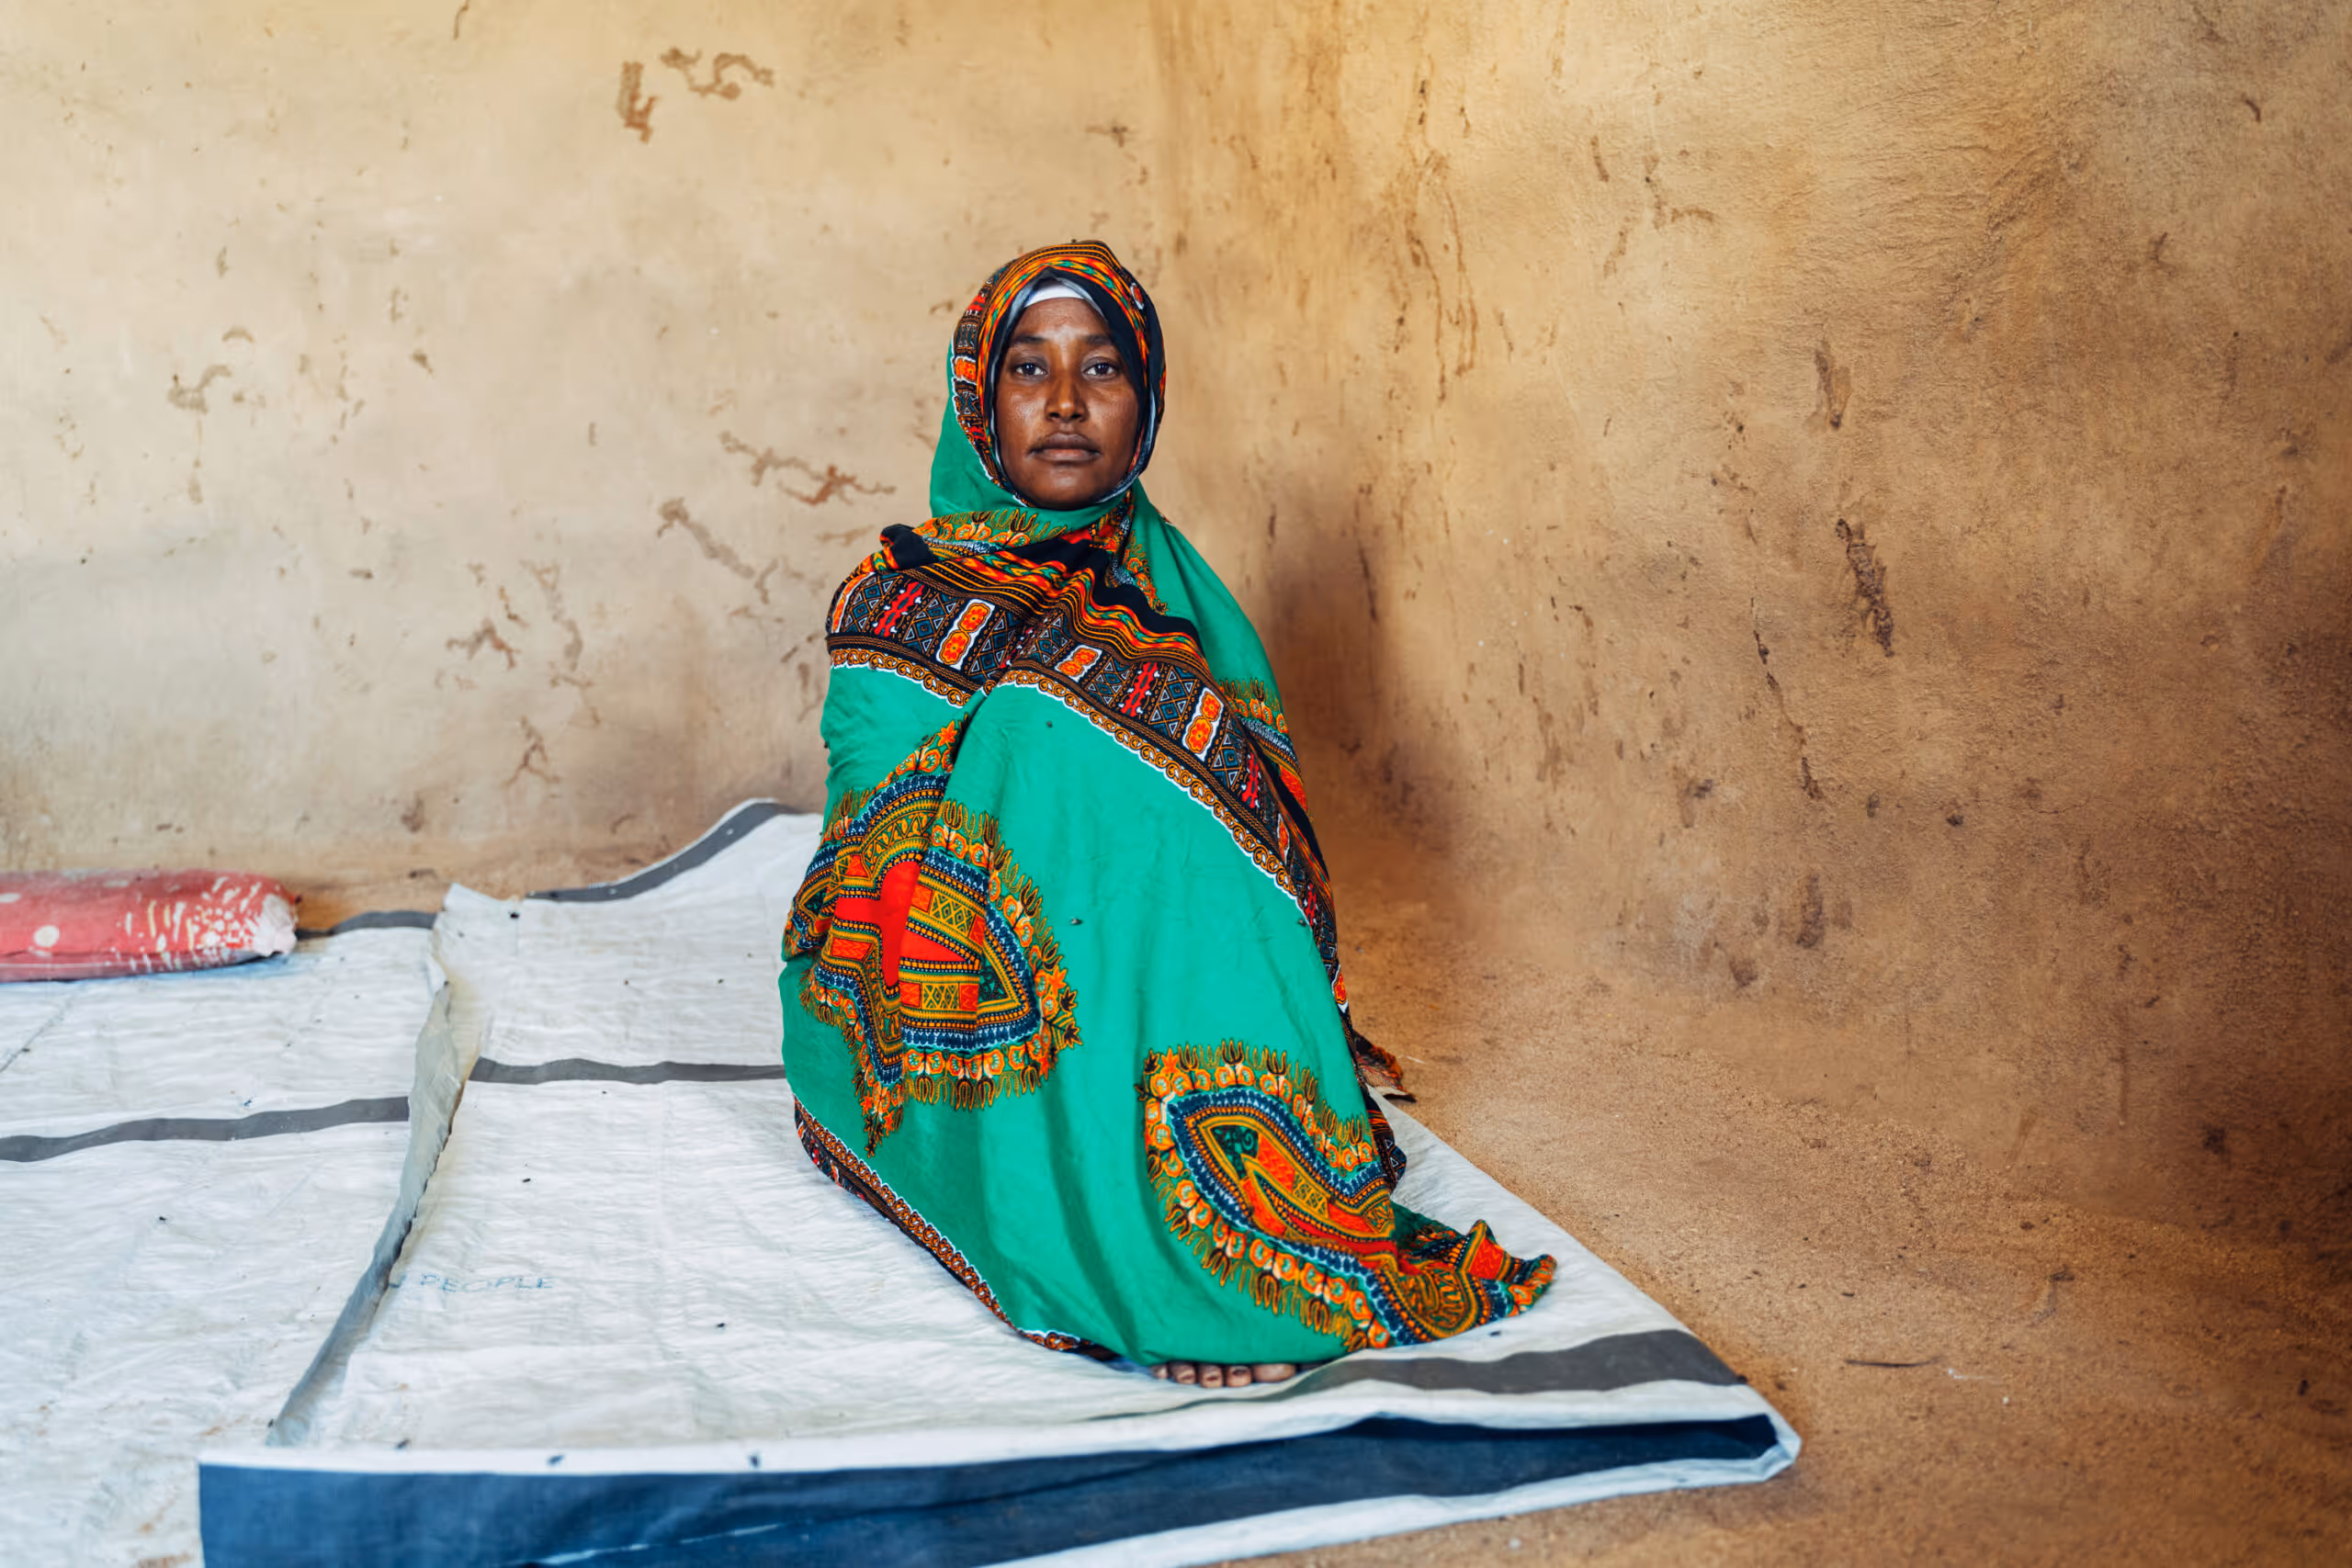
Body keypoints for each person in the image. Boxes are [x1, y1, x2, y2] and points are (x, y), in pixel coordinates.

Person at [782, 242, 1554, 1387]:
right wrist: (1046, 733)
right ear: (978, 401)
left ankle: (1219, 1215)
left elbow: (1256, 860)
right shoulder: (890, 592)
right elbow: (870, 853)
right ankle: (1154, 1259)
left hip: (1139, 974)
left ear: (1143, 401)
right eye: (1027, 369)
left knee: (1115, 714)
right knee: (1052, 722)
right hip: (926, 990)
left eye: (1101, 369)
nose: (1061, 402)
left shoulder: (1188, 605)